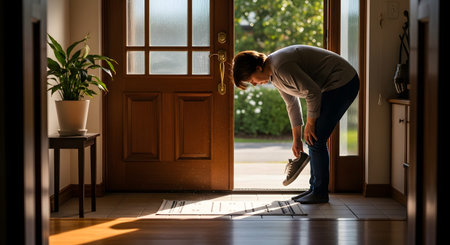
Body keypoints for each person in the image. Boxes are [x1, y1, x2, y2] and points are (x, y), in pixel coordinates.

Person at [232, 45, 359, 204]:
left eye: (252, 80)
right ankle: (314, 189)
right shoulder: (274, 75)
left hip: (342, 81)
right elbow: (292, 104)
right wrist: (296, 139)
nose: (255, 84)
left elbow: (312, 92)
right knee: (313, 138)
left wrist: (310, 124)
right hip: (331, 86)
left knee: (316, 137)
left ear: (258, 68)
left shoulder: (281, 67)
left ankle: (319, 192)